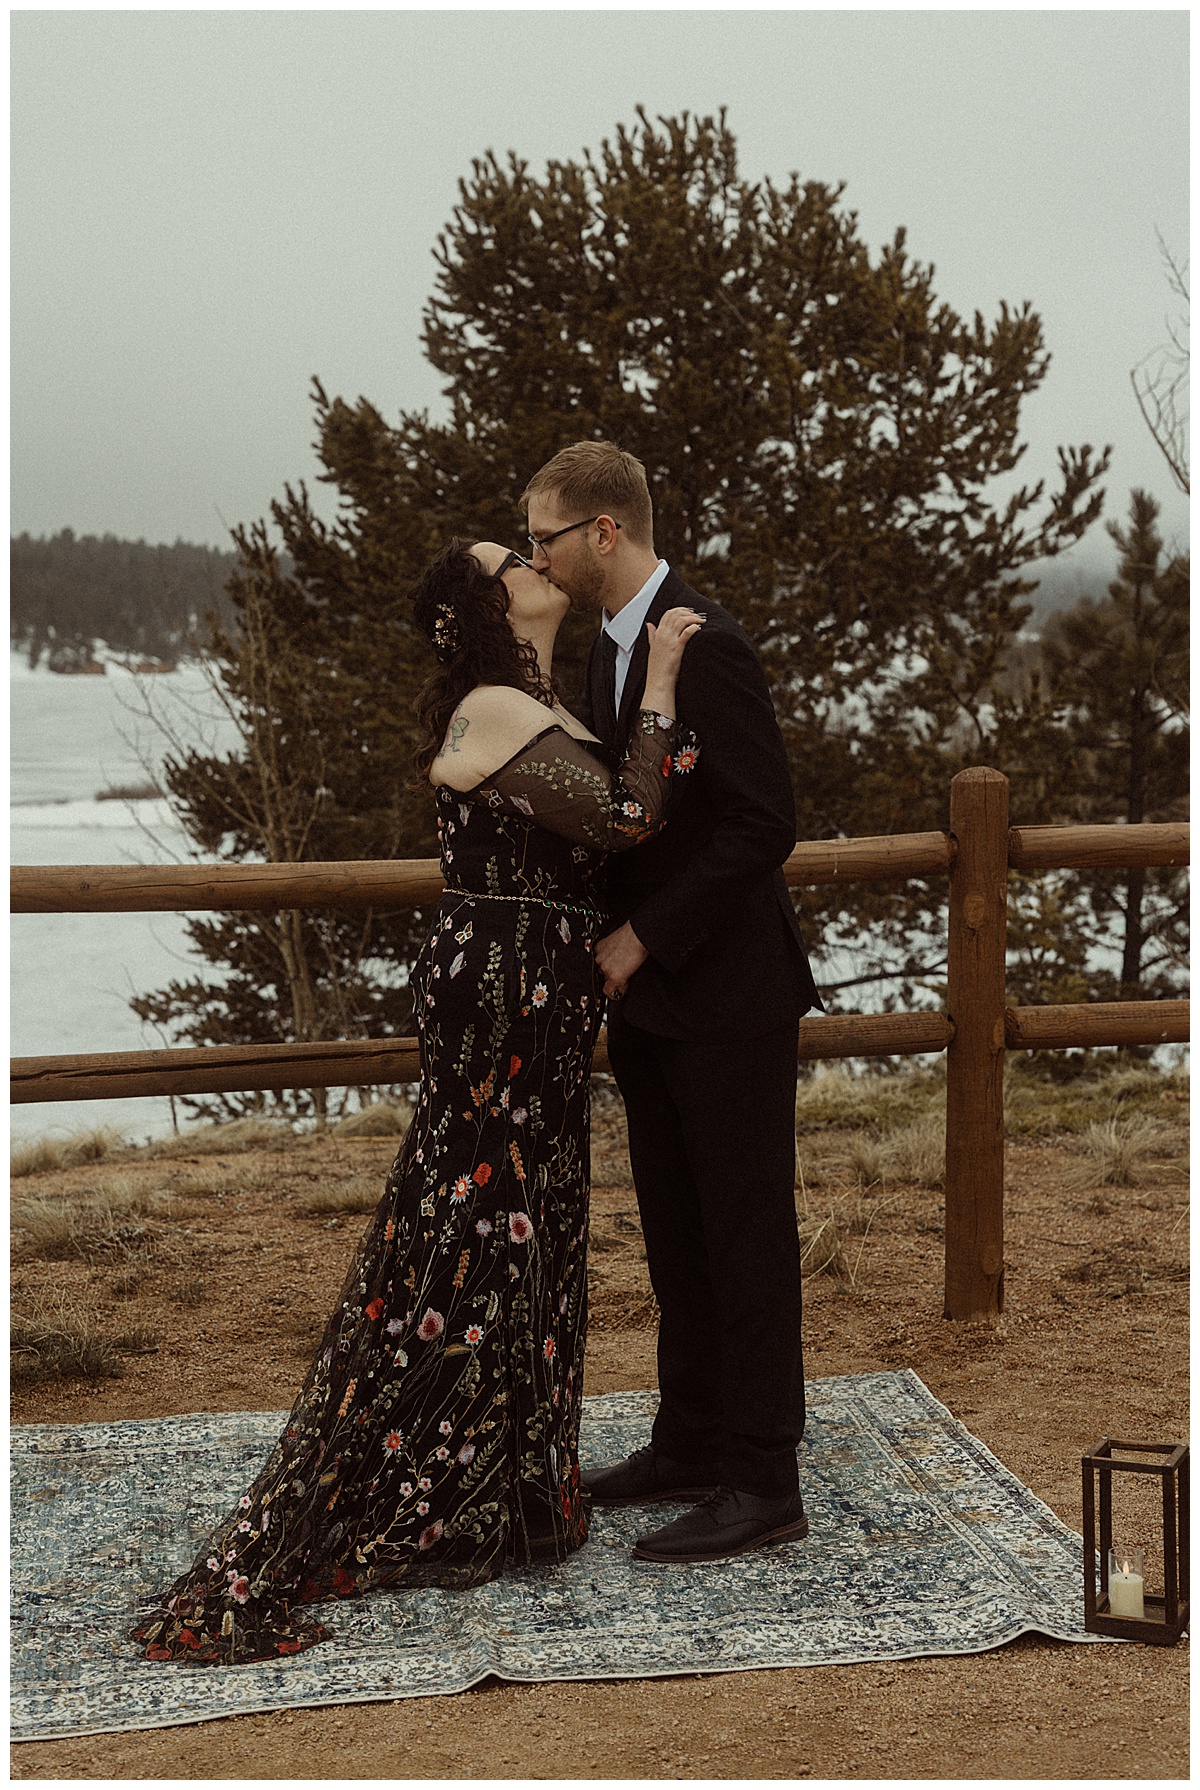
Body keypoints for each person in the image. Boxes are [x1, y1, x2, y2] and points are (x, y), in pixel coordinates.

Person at [130, 539, 704, 1664]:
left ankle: (505, 1487)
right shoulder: (492, 705)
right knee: (465, 1224)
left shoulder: (537, 697)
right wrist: (669, 685)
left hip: (537, 983)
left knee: (520, 1225)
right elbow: (632, 814)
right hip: (498, 984)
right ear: (488, 607)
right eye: (510, 559)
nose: (534, 560)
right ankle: (425, 1485)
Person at [521, 441, 823, 1566]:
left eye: (547, 534)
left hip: (729, 995)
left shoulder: (709, 645)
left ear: (604, 531)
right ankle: (692, 1437)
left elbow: (762, 822)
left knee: (744, 1237)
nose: (538, 556)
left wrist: (646, 933)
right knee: (677, 1237)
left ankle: (764, 1475)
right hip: (647, 1008)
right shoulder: (606, 653)